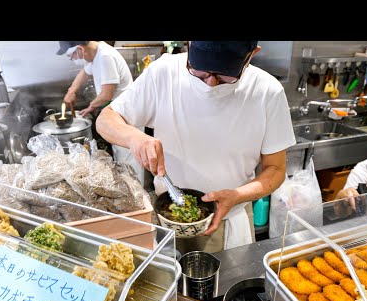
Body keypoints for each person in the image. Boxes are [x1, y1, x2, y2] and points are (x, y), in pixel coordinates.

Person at [95, 41, 296, 254]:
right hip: (166, 219)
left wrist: (237, 195)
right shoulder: (163, 73)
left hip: (227, 222)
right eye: (200, 72)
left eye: (224, 76)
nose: (210, 83)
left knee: (224, 286)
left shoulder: (267, 92)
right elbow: (106, 119)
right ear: (189, 45)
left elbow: (275, 169)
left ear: (251, 55)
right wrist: (134, 137)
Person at [56, 41, 144, 182]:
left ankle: (138, 195)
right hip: (117, 113)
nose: (74, 60)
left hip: (126, 115)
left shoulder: (105, 57)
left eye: (72, 56)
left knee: (129, 158)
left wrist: (91, 107)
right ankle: (129, 190)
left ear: (80, 49)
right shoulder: (97, 53)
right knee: (121, 155)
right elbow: (85, 72)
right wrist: (71, 90)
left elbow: (107, 94)